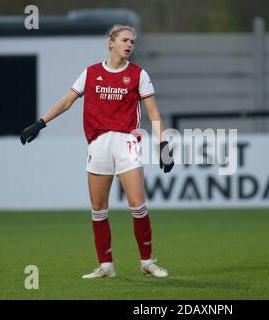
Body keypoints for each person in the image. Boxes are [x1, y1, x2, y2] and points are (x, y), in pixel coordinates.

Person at [20, 25, 174, 279]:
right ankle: (106, 266)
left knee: (138, 206)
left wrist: (163, 144)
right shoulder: (91, 73)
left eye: (132, 42)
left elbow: (153, 112)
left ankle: (147, 261)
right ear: (111, 42)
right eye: (124, 40)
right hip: (98, 144)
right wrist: (40, 122)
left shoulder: (138, 74)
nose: (129, 45)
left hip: (126, 142)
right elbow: (67, 101)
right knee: (99, 209)